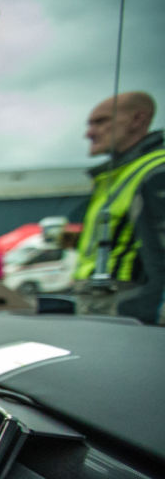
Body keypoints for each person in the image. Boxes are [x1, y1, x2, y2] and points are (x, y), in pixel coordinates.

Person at [72, 91, 165, 324]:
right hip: (106, 305)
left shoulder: (156, 173)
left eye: (101, 122)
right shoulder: (118, 174)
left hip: (130, 314)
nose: (89, 133)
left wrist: (147, 322)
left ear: (138, 120)